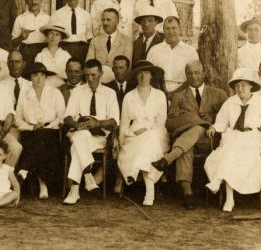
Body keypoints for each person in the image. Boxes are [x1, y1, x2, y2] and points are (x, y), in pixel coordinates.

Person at [152, 60, 227, 209]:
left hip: (210, 140)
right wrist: (194, 120)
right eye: (190, 73)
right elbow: (171, 124)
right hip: (188, 140)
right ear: (186, 76)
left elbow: (228, 117)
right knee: (188, 144)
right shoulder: (179, 97)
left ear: (204, 74)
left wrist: (210, 121)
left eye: (197, 72)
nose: (193, 76)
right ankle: (188, 194)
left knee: (191, 136)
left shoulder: (218, 94)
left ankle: (168, 159)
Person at [204, 68, 261, 213]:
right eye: (237, 85)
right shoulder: (230, 102)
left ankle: (218, 182)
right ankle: (229, 198)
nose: (240, 88)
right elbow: (221, 123)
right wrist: (214, 128)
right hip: (233, 135)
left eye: (243, 85)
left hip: (252, 138)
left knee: (231, 152)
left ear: (251, 86)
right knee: (229, 151)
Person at [62, 59, 120, 205]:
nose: (90, 78)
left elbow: (114, 120)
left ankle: (74, 190)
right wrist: (77, 124)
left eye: (94, 75)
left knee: (77, 146)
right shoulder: (77, 92)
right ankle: (88, 176)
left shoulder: (110, 93)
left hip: (99, 136)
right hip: (79, 131)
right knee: (80, 137)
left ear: (101, 73)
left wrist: (98, 123)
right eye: (87, 75)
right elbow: (67, 117)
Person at [117, 61, 169, 206]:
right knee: (146, 144)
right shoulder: (129, 96)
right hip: (134, 135)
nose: (143, 76)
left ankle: (132, 173)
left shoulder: (159, 95)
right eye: (139, 73)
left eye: (146, 73)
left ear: (151, 76)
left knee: (149, 138)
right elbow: (124, 123)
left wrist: (147, 129)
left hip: (157, 133)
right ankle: (149, 191)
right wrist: (121, 142)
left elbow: (161, 121)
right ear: (135, 76)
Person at [15, 62, 66, 199]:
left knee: (42, 137)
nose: (38, 78)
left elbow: (61, 116)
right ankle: (42, 183)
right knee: (39, 139)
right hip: (30, 132)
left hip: (51, 131)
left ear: (45, 77)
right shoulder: (24, 94)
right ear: (30, 77)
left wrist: (47, 126)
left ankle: (24, 170)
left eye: (42, 75)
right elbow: (18, 119)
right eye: (35, 75)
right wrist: (32, 127)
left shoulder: (55, 93)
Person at [147, 16, 198, 96]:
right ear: (163, 30)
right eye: (167, 29)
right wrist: (160, 94)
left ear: (179, 29)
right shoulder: (154, 50)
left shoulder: (190, 51)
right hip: (158, 93)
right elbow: (148, 75)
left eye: (174, 28)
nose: (171, 31)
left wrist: (174, 94)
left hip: (183, 93)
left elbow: (194, 78)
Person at [86, 8, 133, 84]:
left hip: (117, 82)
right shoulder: (95, 41)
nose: (105, 23)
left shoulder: (126, 41)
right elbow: (89, 63)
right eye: (103, 20)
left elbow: (128, 66)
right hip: (98, 82)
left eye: (108, 20)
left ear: (117, 21)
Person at [53, 0, 93, 64]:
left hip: (82, 50)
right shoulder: (57, 14)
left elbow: (89, 37)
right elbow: (53, 38)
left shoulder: (86, 15)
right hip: (64, 49)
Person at [11, 0, 49, 65]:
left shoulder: (48, 19)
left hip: (43, 53)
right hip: (25, 53)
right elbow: (13, 43)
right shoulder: (20, 19)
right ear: (26, 1)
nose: (33, 2)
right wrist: (21, 37)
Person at [34, 23, 72, 87]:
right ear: (46, 36)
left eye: (57, 35)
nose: (53, 37)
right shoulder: (40, 55)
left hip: (62, 86)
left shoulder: (66, 55)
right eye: (51, 33)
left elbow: (69, 74)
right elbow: (38, 75)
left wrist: (50, 71)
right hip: (44, 87)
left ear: (61, 38)